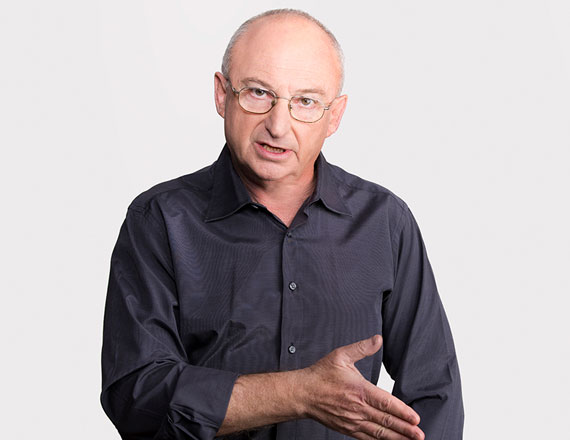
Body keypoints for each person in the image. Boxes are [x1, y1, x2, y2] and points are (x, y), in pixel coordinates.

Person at [101, 8, 464, 440]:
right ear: (222, 95)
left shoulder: (385, 222)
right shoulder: (159, 221)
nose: (278, 125)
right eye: (258, 93)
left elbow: (434, 394)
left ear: (334, 115)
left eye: (305, 102)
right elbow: (137, 396)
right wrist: (298, 393)